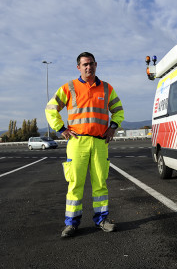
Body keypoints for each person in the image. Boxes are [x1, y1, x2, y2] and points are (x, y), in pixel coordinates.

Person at [45, 52, 124, 238]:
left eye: (91, 64)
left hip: (99, 142)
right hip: (77, 142)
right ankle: (71, 224)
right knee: (75, 184)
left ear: (96, 65)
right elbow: (50, 108)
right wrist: (61, 128)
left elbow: (118, 110)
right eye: (84, 64)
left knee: (100, 184)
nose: (88, 67)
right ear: (78, 67)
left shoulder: (106, 88)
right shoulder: (69, 87)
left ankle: (101, 220)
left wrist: (113, 127)